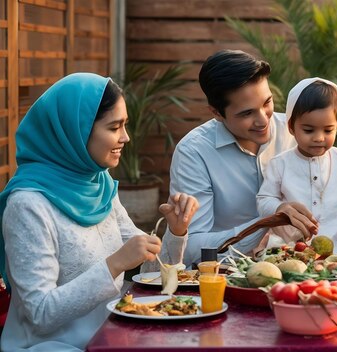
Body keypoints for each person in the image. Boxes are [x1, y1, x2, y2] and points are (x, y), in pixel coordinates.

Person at [0, 73, 199, 351]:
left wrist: (176, 232)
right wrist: (115, 264)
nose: (125, 138)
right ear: (76, 130)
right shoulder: (28, 205)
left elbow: (149, 270)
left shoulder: (98, 183)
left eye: (125, 125)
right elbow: (40, 313)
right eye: (114, 127)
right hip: (55, 345)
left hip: (112, 336)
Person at [169, 50, 318, 266]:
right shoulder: (194, 153)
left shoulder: (294, 132)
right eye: (247, 113)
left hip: (301, 272)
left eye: (267, 103)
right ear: (217, 113)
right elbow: (192, 248)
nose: (263, 120)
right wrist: (265, 222)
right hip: (224, 279)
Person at [256, 78, 337, 254]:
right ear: (291, 127)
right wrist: (279, 208)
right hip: (293, 251)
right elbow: (264, 200)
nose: (319, 138)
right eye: (309, 130)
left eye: (327, 130)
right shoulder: (280, 164)